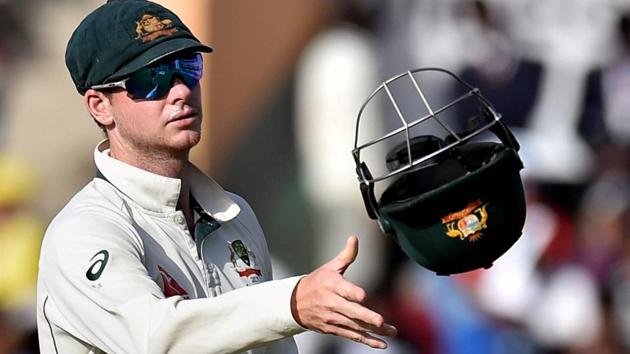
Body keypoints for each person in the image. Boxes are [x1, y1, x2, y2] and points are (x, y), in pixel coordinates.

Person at [36, 1, 397, 353]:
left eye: (187, 67)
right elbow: (154, 340)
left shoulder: (234, 215)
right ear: (100, 106)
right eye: (152, 78)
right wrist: (291, 303)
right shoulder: (83, 230)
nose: (180, 90)